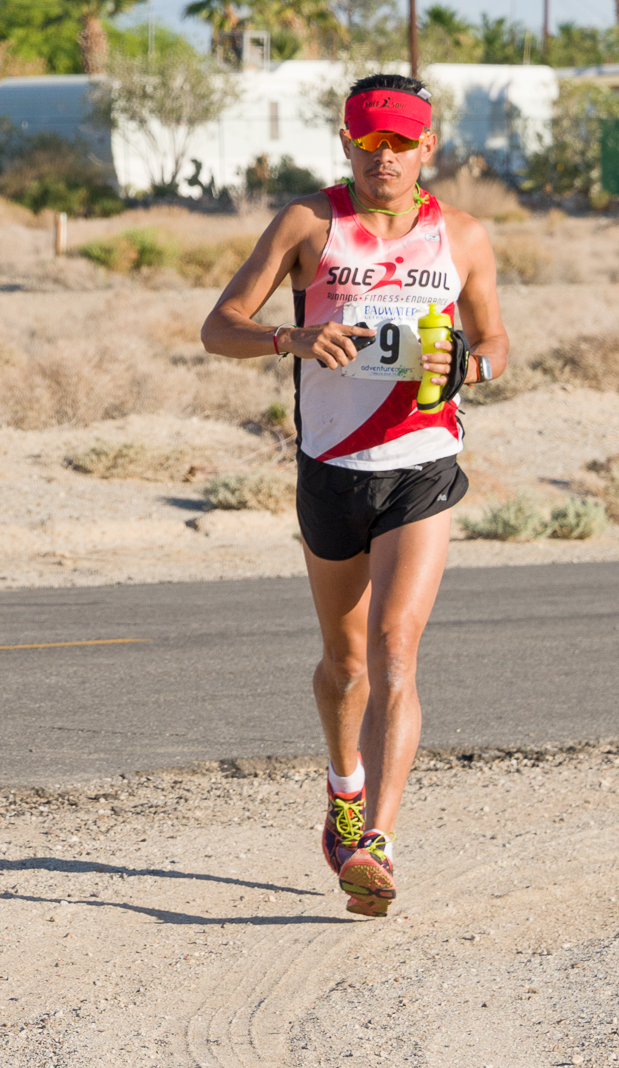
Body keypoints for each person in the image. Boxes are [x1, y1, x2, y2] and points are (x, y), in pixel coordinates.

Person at [202, 73, 508, 916]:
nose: (384, 158)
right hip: (331, 467)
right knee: (345, 667)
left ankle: (374, 841)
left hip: (422, 460)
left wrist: (469, 367)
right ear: (346, 144)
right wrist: (287, 335)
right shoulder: (309, 223)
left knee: (394, 648)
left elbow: (495, 340)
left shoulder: (464, 236)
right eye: (369, 142)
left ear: (426, 148)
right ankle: (342, 794)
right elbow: (215, 324)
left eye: (400, 143)